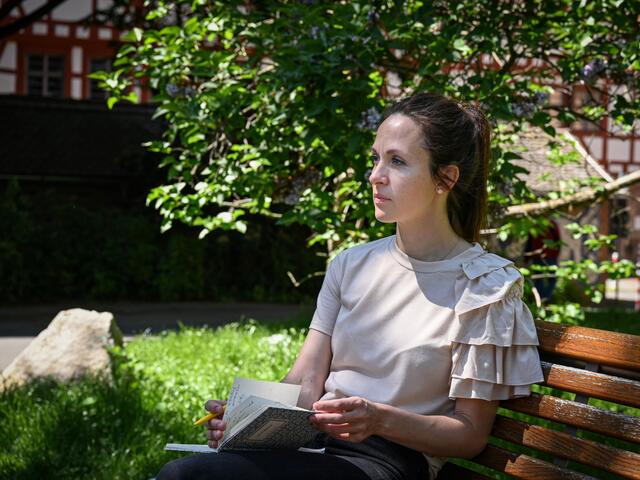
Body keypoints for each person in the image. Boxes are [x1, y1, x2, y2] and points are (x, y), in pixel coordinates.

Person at [156, 93, 544, 480]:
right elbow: (305, 383)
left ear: (446, 178)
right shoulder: (352, 264)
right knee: (185, 474)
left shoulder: (486, 286)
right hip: (310, 445)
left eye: (397, 161)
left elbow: (469, 435)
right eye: (375, 158)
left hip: (385, 463)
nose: (376, 174)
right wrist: (245, 418)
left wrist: (379, 420)